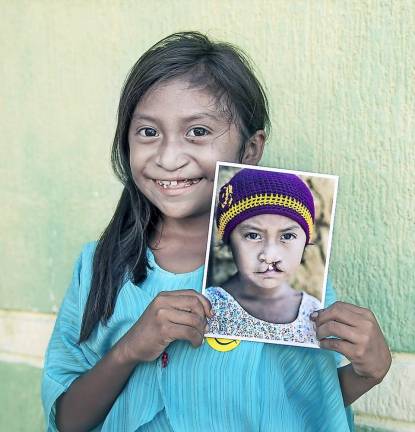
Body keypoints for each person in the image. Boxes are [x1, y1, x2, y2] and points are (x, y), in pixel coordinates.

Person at [41, 31, 391, 432]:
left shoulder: (287, 278)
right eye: (149, 132)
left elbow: (299, 405)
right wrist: (130, 349)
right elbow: (67, 421)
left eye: (198, 132)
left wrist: (368, 373)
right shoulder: (98, 267)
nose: (169, 158)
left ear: (250, 150)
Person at [206, 168, 322, 346]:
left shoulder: (315, 313)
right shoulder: (207, 308)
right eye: (253, 236)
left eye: (287, 236)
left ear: (306, 241)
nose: (270, 256)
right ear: (229, 242)